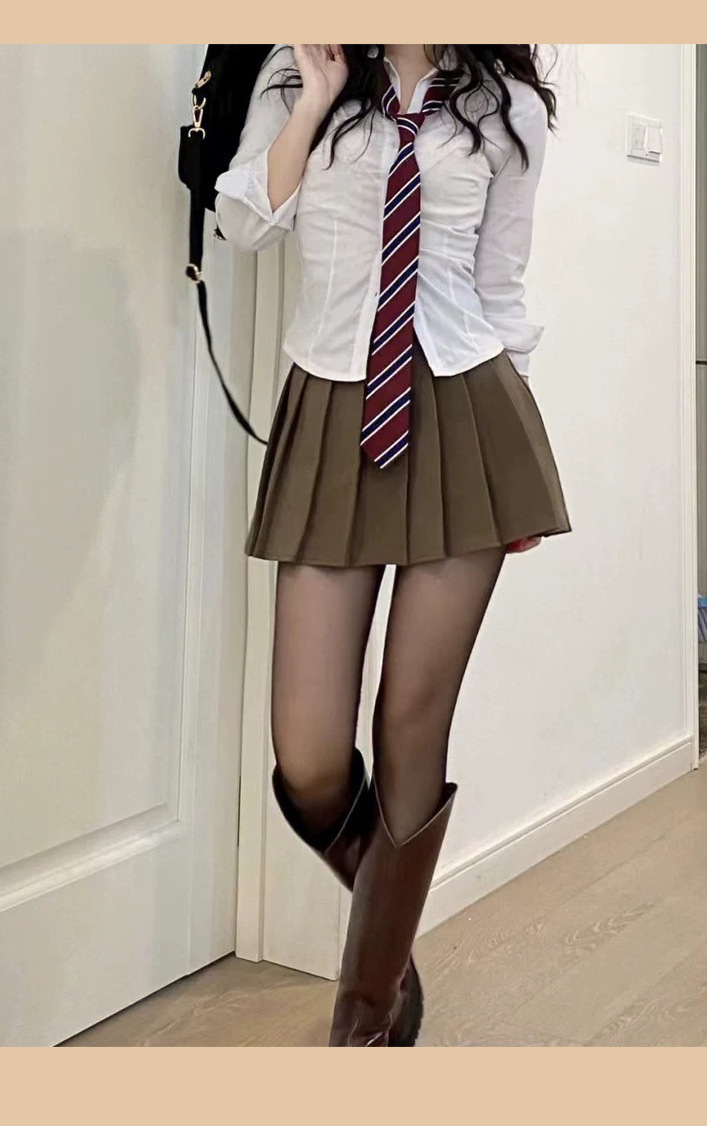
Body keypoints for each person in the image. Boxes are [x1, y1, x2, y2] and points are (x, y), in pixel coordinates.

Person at [214, 43, 572, 1046]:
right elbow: (243, 224)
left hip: (467, 411)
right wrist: (315, 100)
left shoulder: (508, 107)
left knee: (412, 726)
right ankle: (391, 944)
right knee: (309, 754)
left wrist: (509, 471)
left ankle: (366, 1021)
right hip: (332, 409)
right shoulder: (294, 78)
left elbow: (501, 287)